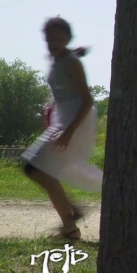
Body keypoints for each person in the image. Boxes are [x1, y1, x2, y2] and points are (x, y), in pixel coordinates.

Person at [21, 18, 103, 240]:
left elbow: (87, 100)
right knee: (37, 168)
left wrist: (68, 132)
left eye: (60, 39)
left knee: (32, 166)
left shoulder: (71, 63)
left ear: (67, 38)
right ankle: (70, 224)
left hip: (76, 120)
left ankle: (72, 217)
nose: (54, 42)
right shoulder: (59, 58)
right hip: (62, 118)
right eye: (50, 38)